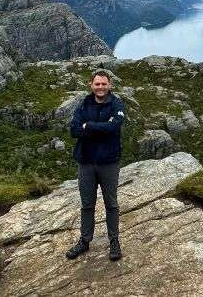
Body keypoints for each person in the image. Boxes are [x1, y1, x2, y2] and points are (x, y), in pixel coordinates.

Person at [65, 69, 126, 261]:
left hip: (109, 162)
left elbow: (114, 127)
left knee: (111, 204)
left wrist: (88, 126)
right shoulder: (84, 103)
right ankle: (84, 241)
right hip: (86, 162)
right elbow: (74, 130)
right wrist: (99, 128)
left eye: (104, 84)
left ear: (109, 85)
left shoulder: (117, 103)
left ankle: (114, 241)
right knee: (87, 204)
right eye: (97, 84)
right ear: (91, 85)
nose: (100, 87)